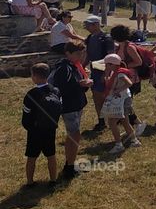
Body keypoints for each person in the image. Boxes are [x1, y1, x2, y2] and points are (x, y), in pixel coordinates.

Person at [49, 42, 93, 180]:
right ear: (68, 53)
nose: (81, 56)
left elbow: (79, 86)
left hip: (76, 104)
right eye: (78, 54)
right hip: (69, 106)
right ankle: (69, 168)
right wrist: (80, 84)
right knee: (74, 135)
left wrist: (84, 84)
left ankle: (70, 163)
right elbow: (60, 88)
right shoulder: (64, 68)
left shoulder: (75, 65)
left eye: (82, 53)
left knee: (74, 135)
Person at [22, 62, 61, 187]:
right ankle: (53, 180)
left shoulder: (31, 94)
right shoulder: (55, 90)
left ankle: (30, 181)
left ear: (35, 77)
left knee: (32, 156)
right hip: (50, 128)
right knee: (51, 155)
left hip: (35, 130)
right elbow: (60, 107)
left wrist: (29, 127)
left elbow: (26, 114)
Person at [98, 54, 140, 156]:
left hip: (122, 100)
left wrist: (118, 90)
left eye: (106, 65)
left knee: (112, 121)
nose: (105, 66)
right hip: (120, 100)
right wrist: (107, 73)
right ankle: (134, 140)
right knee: (124, 121)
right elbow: (106, 82)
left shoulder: (120, 74)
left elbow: (129, 83)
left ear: (111, 64)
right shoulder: (113, 73)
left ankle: (118, 145)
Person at [109, 24, 146, 137]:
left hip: (131, 79)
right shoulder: (118, 46)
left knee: (126, 104)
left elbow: (138, 62)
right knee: (125, 103)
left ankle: (137, 123)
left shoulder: (129, 47)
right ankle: (132, 125)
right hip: (122, 78)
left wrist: (123, 65)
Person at [82, 14, 114, 130]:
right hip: (94, 71)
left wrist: (106, 73)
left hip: (104, 71)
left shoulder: (106, 38)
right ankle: (101, 120)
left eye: (89, 25)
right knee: (96, 96)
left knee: (107, 96)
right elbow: (88, 55)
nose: (87, 27)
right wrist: (82, 67)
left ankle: (116, 118)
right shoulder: (90, 38)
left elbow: (111, 58)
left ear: (96, 25)